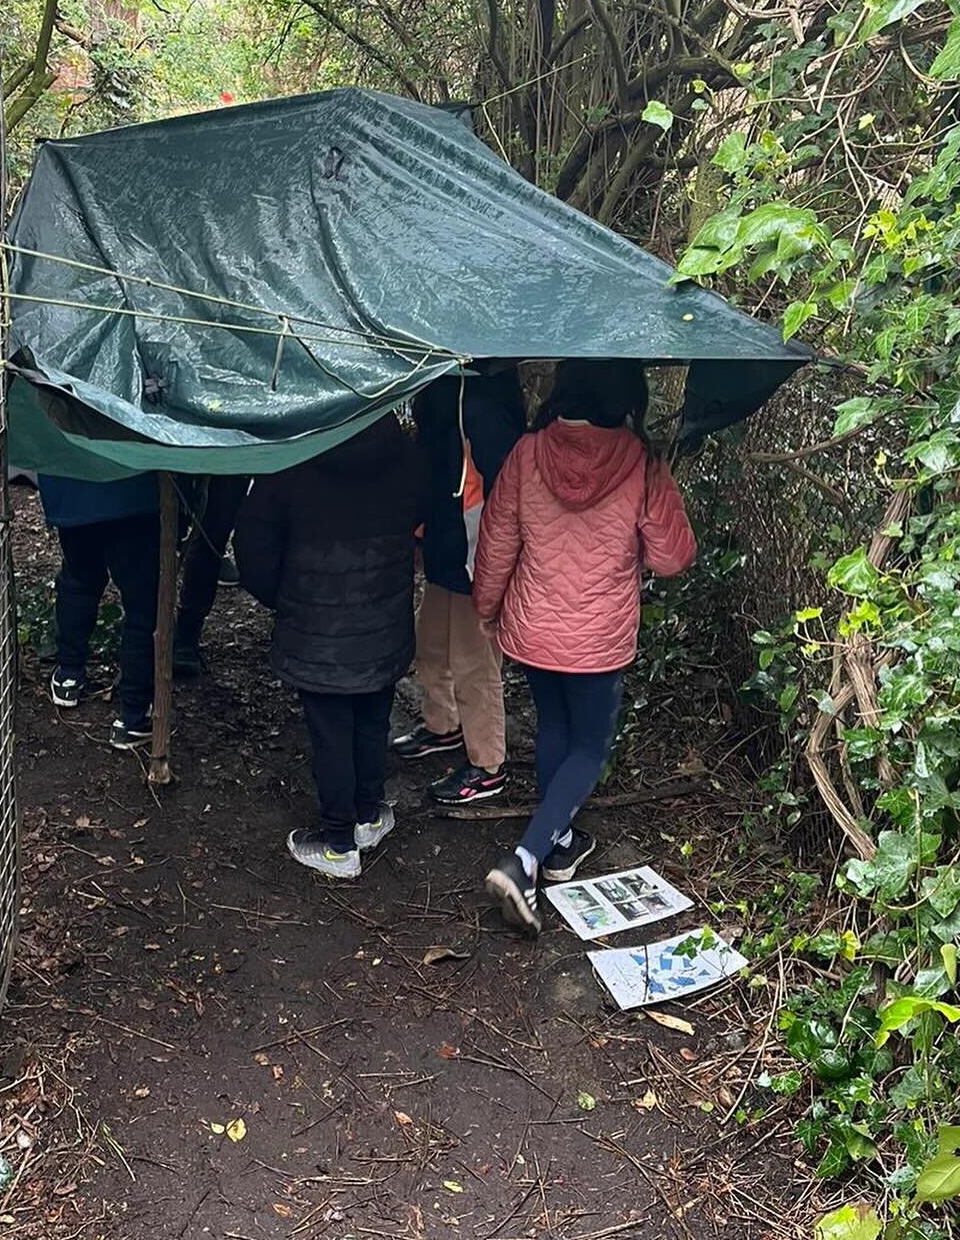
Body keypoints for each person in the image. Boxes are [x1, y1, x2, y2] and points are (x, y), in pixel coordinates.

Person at [471, 360, 697, 935]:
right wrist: (657, 489)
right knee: (590, 748)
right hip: (598, 635)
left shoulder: (527, 453)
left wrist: (487, 609)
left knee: (554, 730)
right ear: (628, 395)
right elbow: (672, 558)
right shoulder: (640, 462)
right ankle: (523, 861)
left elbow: (498, 541)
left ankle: (561, 842)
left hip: (534, 625)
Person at [235, 414, 425, 879]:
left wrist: (285, 599)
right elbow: (419, 513)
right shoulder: (404, 458)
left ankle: (339, 844)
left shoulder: (293, 461)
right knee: (372, 718)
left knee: (331, 733)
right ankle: (367, 815)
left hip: (317, 629)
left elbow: (254, 548)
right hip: (382, 623)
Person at [392, 368, 525, 805]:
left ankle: (488, 764)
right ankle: (442, 725)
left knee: (475, 661)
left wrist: (492, 562)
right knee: (431, 645)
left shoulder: (486, 397)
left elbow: (500, 486)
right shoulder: (441, 383)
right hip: (444, 539)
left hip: (475, 550)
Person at [38, 472, 162, 750]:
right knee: (143, 602)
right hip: (135, 488)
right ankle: (134, 714)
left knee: (79, 578)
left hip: (71, 487)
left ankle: (69, 673)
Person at [173, 475, 250, 677]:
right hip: (175, 452)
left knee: (212, 534)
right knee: (164, 529)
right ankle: (147, 633)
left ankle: (186, 634)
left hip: (233, 458)